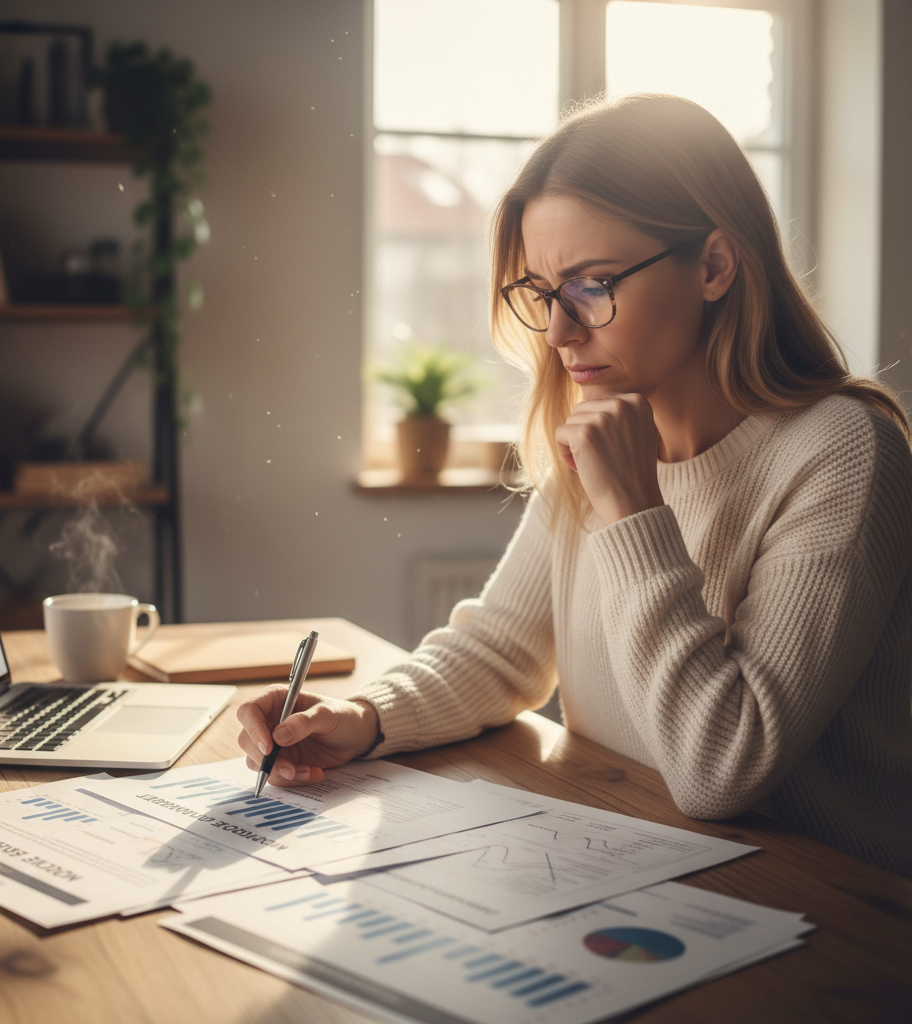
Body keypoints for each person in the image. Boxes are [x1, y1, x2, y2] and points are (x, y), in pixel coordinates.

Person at [238, 94, 912, 878]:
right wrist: (363, 715)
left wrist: (632, 507)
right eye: (540, 292)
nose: (558, 332)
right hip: (639, 856)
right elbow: (501, 650)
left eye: (592, 284)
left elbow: (721, 768)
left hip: (826, 906)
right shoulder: (601, 420)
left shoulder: (843, 450)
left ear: (715, 266)